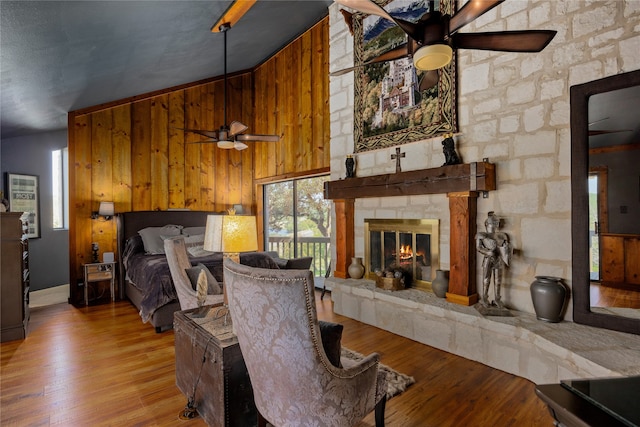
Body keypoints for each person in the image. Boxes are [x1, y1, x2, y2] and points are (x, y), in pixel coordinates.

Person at [475, 212, 512, 309]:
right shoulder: (481, 235)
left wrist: (507, 249)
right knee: (486, 279)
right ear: (487, 224)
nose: (495, 225)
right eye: (493, 223)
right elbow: (478, 248)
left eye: (496, 223)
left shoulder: (502, 235)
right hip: (488, 258)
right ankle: (484, 298)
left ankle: (497, 298)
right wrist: (487, 252)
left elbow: (505, 249)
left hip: (498, 259)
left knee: (498, 280)